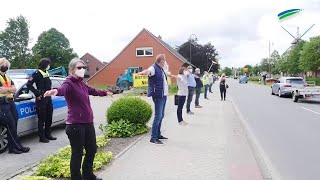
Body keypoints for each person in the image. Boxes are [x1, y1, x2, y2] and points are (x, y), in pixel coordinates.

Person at [44, 58, 113, 180]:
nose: (82, 70)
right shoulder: (69, 82)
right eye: (79, 68)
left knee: (92, 149)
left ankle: (88, 175)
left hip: (87, 122)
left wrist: (104, 93)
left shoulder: (82, 83)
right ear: (71, 70)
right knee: (77, 153)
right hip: (75, 124)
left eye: (83, 67)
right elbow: (63, 89)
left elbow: (93, 90)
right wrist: (55, 91)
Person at [0, 58, 30, 154]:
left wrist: (7, 89)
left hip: (10, 101)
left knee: (14, 123)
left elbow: (15, 89)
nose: (5, 66)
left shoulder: (7, 77)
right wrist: (9, 89)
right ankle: (16, 147)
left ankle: (15, 147)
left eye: (6, 65)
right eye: (3, 64)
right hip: (2, 103)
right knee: (10, 125)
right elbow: (1, 90)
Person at [139, 54, 169, 145]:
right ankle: (153, 137)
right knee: (158, 116)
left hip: (163, 95)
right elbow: (148, 71)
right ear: (161, 61)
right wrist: (144, 72)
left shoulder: (161, 69)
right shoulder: (153, 68)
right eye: (165, 61)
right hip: (158, 95)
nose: (165, 63)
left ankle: (158, 134)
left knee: (161, 115)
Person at [26, 58, 56, 143]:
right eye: (48, 64)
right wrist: (37, 94)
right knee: (42, 118)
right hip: (41, 97)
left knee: (49, 116)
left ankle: (48, 134)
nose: (49, 66)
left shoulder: (46, 73)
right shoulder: (36, 73)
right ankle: (42, 137)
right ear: (44, 65)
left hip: (48, 96)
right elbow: (29, 84)